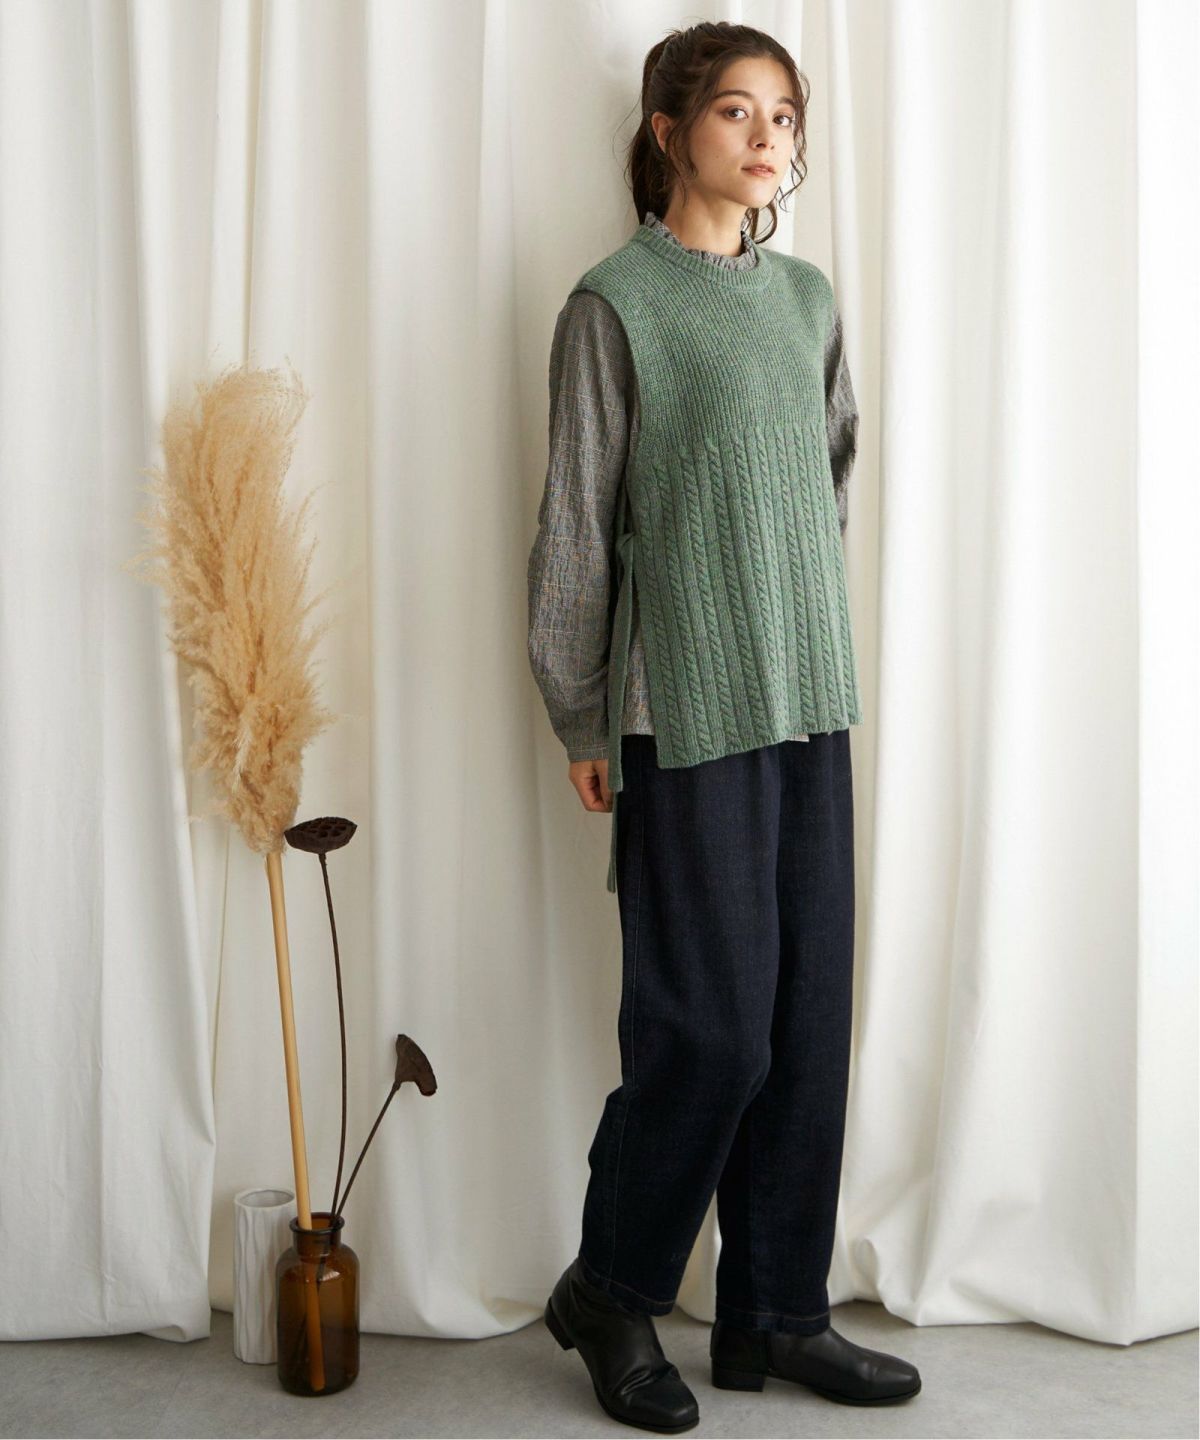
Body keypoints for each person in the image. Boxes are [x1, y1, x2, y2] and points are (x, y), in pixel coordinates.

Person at [527, 20, 920, 1433]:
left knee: (806, 1024)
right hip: (677, 707)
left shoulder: (807, 298)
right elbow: (578, 525)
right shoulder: (613, 305)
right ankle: (611, 1288)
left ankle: (774, 1310)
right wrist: (581, 707)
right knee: (710, 1033)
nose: (768, 138)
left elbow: (827, 478)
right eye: (739, 112)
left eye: (785, 116)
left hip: (807, 696)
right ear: (668, 130)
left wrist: (786, 603)